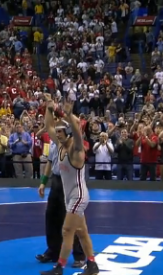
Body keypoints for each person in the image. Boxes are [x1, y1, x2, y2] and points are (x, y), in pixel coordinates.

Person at [41, 95, 99, 275]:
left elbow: (78, 133)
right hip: (69, 196)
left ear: (67, 133)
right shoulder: (59, 145)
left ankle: (59, 268)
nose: (56, 134)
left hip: (79, 195)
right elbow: (49, 126)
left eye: (60, 132)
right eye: (57, 132)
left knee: (67, 230)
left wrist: (69, 114)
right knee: (81, 232)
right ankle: (92, 265)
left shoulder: (76, 150)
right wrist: (50, 108)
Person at [37, 136, 85, 268]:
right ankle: (53, 251)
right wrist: (43, 182)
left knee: (71, 220)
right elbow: (50, 162)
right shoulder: (53, 143)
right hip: (56, 181)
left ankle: (79, 255)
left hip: (70, 182)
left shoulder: (73, 143)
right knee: (51, 217)